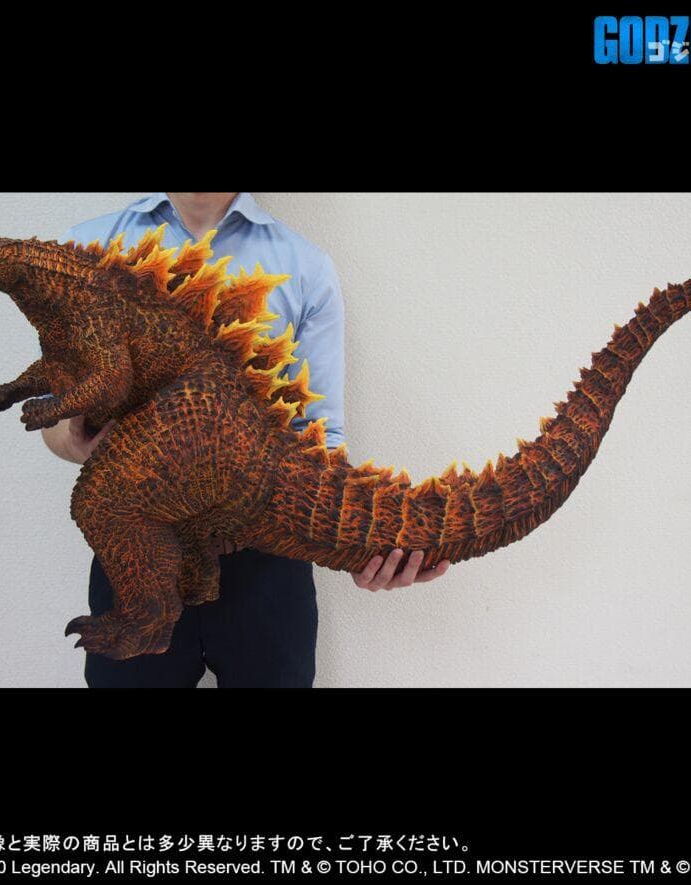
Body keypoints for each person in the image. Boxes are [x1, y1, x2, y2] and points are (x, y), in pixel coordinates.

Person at [43, 192, 451, 688]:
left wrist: (352, 539)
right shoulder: (86, 249)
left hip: (268, 562)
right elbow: (55, 419)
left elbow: (320, 437)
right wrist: (76, 439)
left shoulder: (304, 265)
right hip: (137, 553)